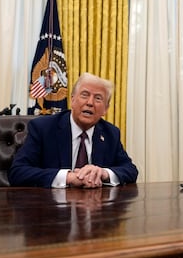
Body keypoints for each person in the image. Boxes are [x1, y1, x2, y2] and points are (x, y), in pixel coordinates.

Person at [9, 72, 138, 188]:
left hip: (96, 209)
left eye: (98, 98)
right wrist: (68, 177)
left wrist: (103, 173)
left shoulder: (110, 133)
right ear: (72, 100)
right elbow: (18, 172)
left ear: (105, 109)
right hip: (50, 209)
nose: (90, 103)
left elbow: (130, 170)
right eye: (84, 95)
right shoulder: (43, 128)